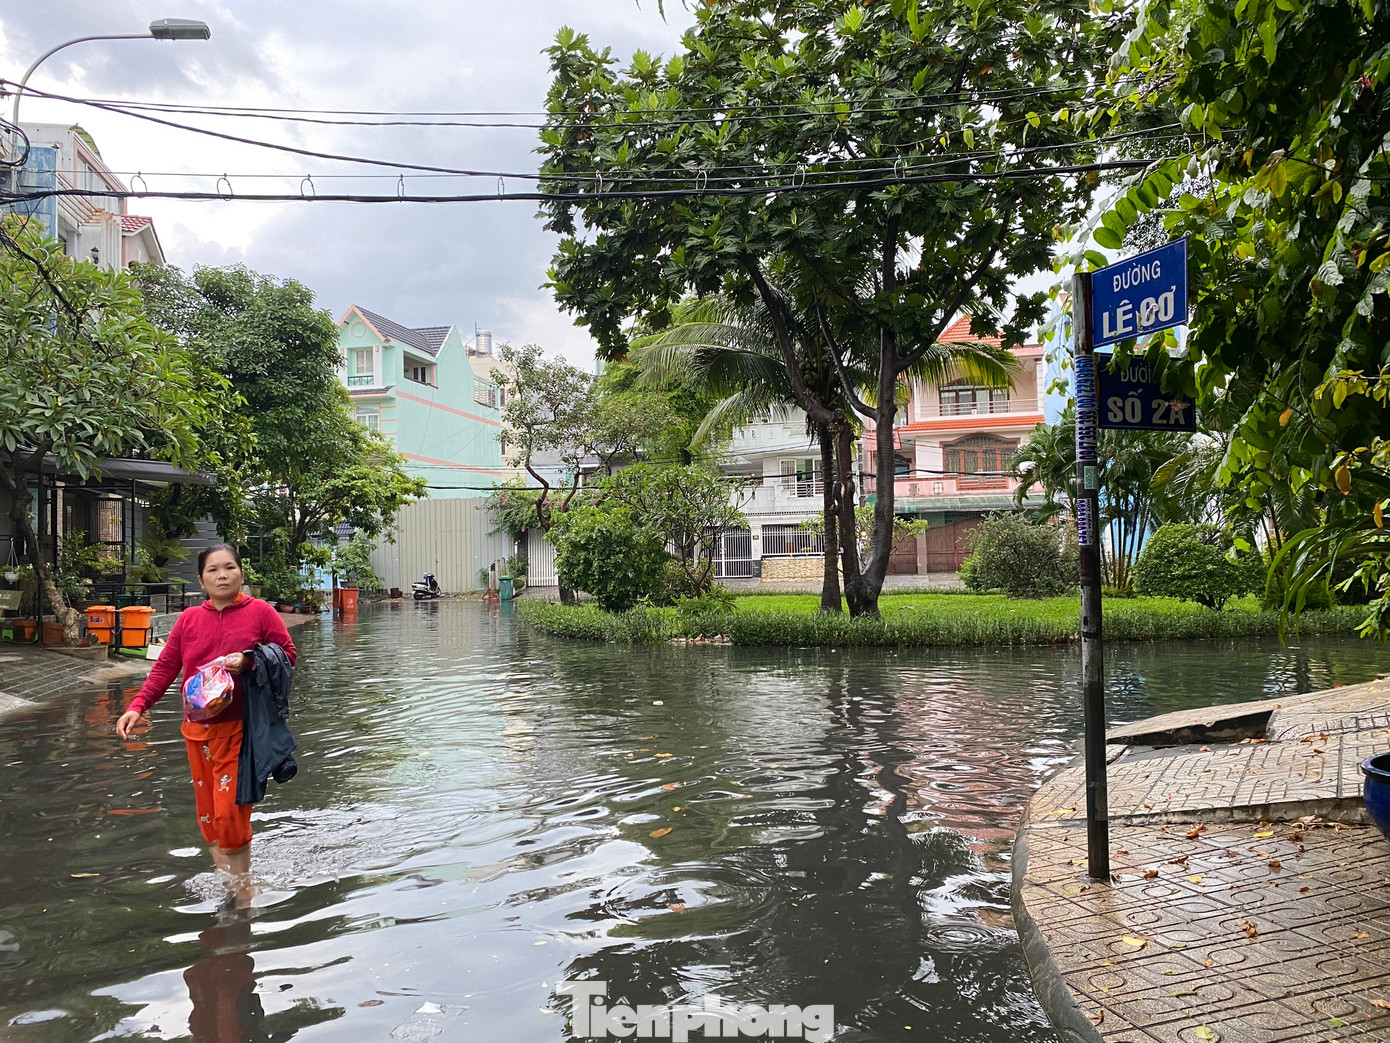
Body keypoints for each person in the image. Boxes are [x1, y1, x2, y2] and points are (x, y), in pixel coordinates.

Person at [117, 544, 297, 905]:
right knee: (209, 816)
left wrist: (248, 662)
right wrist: (139, 705)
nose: (222, 575)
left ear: (241, 573)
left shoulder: (261, 613)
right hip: (196, 731)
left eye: (229, 567)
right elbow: (167, 667)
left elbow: (287, 655)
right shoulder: (188, 620)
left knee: (230, 812)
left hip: (241, 730)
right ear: (201, 579)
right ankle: (230, 886)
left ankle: (243, 891)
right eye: (213, 570)